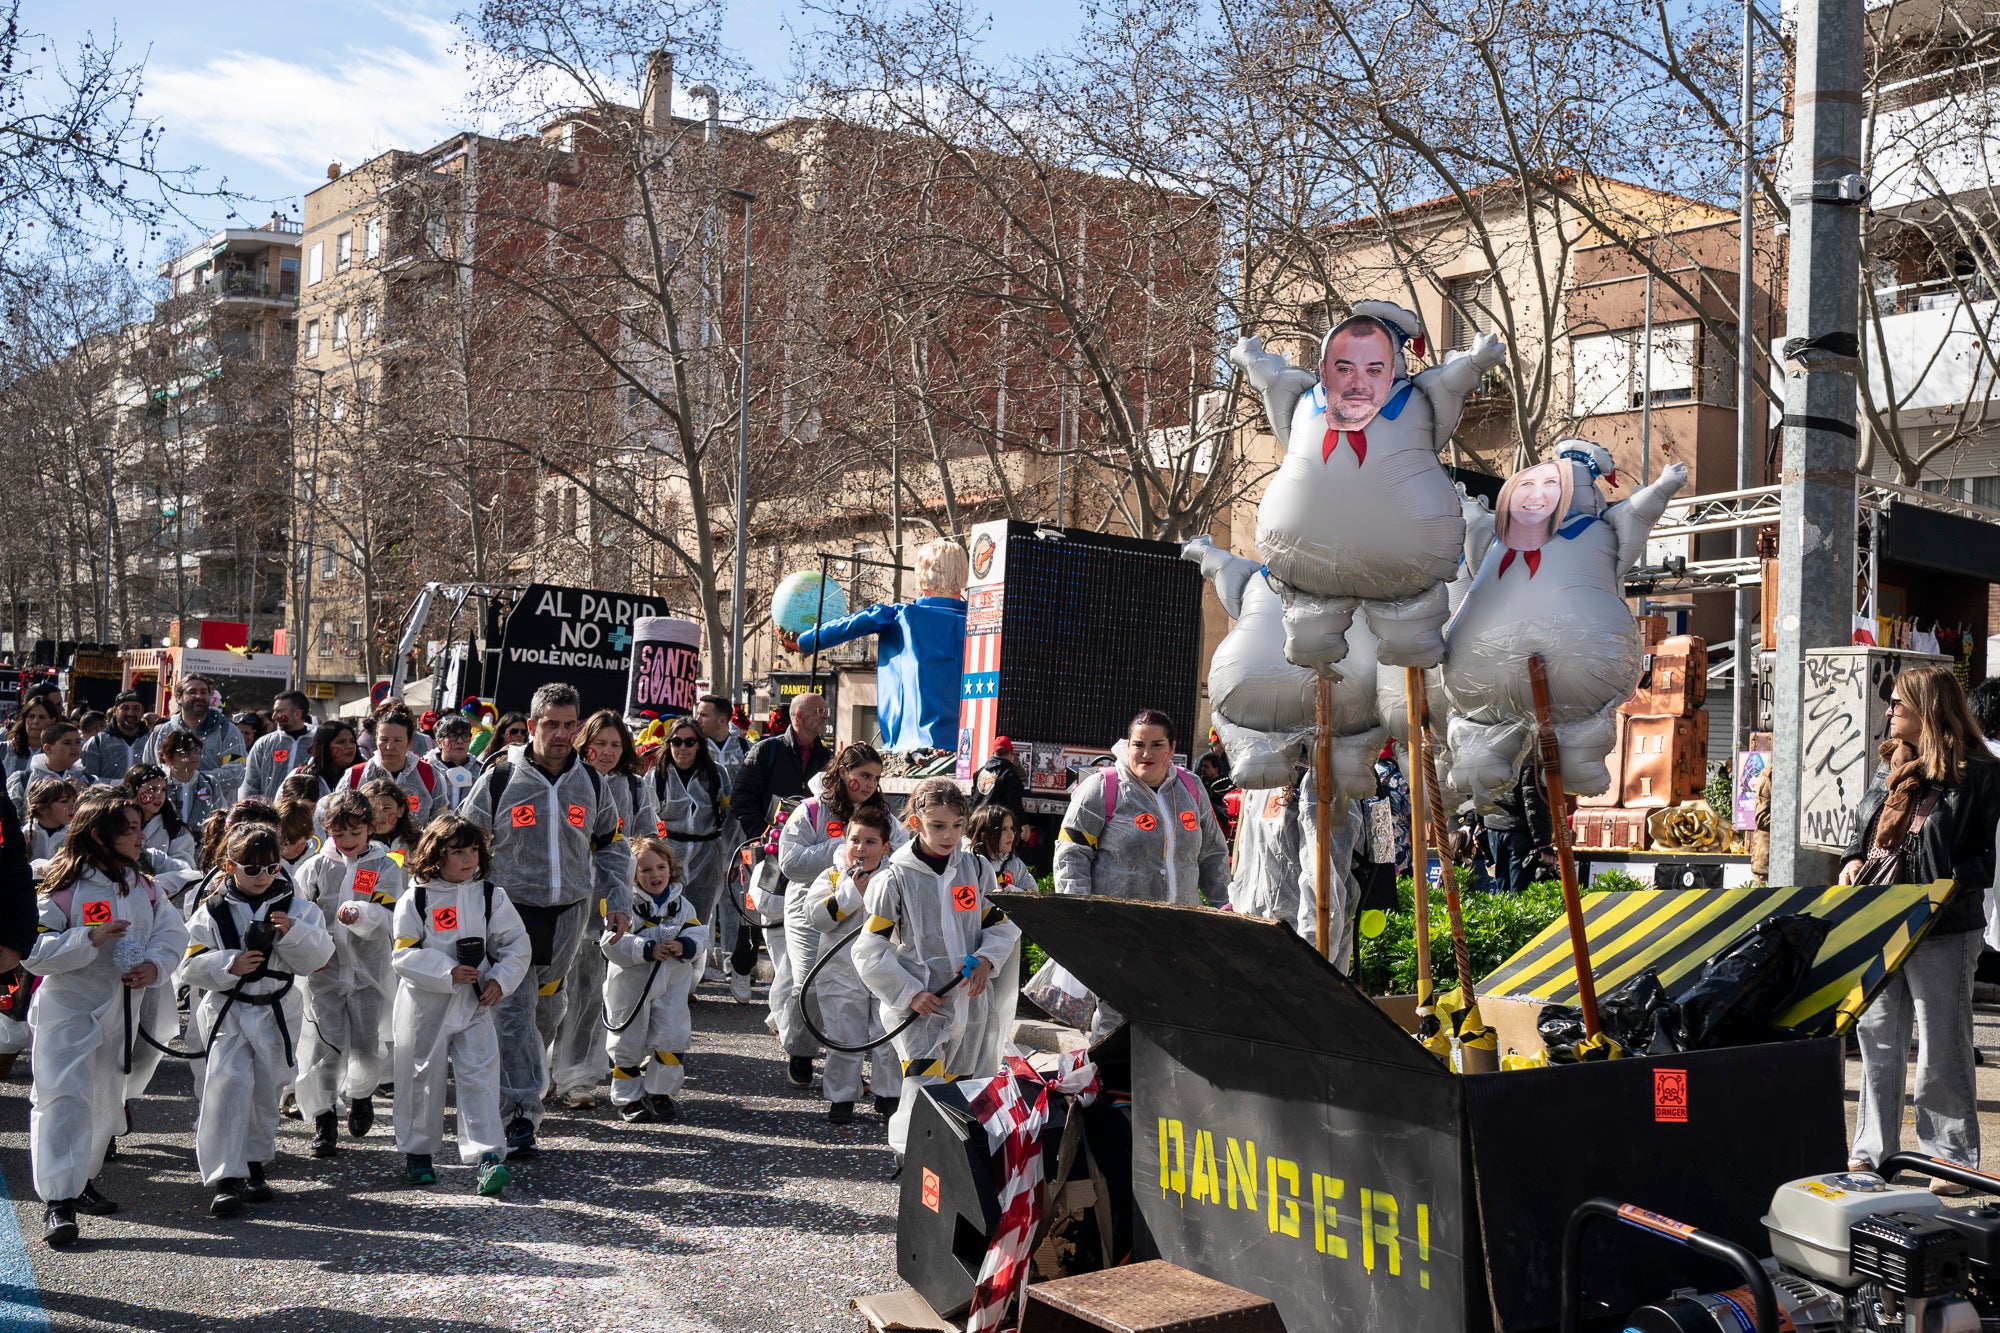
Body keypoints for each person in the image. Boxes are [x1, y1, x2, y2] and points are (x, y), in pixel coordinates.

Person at [1839, 666, 2000, 1190]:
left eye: (1898, 705)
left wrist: (1945, 882)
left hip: (1943, 924)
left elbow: (1983, 858)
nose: (1888, 712)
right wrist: (1853, 857)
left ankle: (1950, 1157)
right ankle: (1870, 1152)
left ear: (1928, 708)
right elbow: (1865, 828)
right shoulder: (1892, 763)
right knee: (1877, 1037)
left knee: (1941, 1042)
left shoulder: (1979, 772)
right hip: (1883, 917)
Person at [460, 682, 633, 1158]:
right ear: (532, 725)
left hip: (569, 916)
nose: (560, 733)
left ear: (579, 728)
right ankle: (519, 1116)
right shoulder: (499, 779)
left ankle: (525, 1082)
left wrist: (617, 899)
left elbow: (612, 847)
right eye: (550, 724)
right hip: (510, 915)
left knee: (547, 1011)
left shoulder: (592, 783)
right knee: (512, 1013)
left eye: (568, 724)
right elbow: (464, 839)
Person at [26, 790, 188, 1246]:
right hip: (68, 1010)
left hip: (120, 1012)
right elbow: (35, 955)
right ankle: (58, 1201)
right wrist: (88, 940)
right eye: (130, 829)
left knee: (102, 1102)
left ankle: (80, 1180)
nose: (141, 837)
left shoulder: (144, 886)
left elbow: (170, 933)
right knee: (60, 1101)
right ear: (100, 835)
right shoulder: (62, 887)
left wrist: (154, 966)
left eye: (140, 827)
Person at [853, 778, 1021, 1155]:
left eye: (957, 826)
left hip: (971, 1004)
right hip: (921, 1011)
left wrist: (988, 960)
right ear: (915, 824)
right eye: (938, 826)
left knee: (963, 1094)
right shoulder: (894, 879)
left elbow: (999, 924)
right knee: (924, 1092)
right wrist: (910, 993)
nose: (950, 836)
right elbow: (869, 949)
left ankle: (951, 1170)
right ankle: (912, 1163)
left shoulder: (976, 870)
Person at [178, 823, 335, 1217]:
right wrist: (229, 963)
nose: (263, 877)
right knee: (227, 1086)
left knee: (266, 1090)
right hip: (229, 1009)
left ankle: (254, 1162)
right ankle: (225, 1177)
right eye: (252, 869)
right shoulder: (211, 911)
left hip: (276, 1009)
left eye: (271, 868)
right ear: (230, 867)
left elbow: (320, 956)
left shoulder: (298, 909)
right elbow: (189, 964)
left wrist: (294, 933)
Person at [1054, 710, 1231, 1038]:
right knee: (1115, 1025)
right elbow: (1070, 857)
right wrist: (1079, 919)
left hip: (1180, 936)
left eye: (1156, 744)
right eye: (1138, 744)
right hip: (1118, 937)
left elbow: (1213, 854)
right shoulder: (1103, 788)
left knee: (1175, 1021)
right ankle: (1105, 1086)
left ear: (1172, 748)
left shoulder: (1191, 788)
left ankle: (1161, 1089)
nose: (1146, 753)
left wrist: (1226, 907)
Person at [391, 813, 529, 1194]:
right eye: (457, 851)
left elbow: (516, 945)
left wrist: (500, 979)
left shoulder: (490, 895)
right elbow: (402, 954)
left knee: (480, 1077)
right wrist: (446, 970)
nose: (468, 859)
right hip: (424, 1006)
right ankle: (418, 1154)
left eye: (472, 850)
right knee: (421, 1077)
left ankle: (487, 1157)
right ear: (436, 855)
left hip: (474, 1004)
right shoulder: (415, 898)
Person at [776, 741, 905, 1087]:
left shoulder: (884, 816)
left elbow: (906, 854)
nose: (868, 785)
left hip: (867, 911)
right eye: (863, 775)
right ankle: (801, 1051)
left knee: (865, 989)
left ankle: (851, 1067)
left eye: (875, 779)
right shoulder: (811, 811)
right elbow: (789, 862)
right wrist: (845, 846)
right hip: (814, 904)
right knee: (809, 983)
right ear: (843, 771)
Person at [548, 710, 657, 1109]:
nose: (607, 752)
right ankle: (540, 1070)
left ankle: (578, 1076)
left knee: (592, 992)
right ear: (583, 742)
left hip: (608, 902)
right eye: (600, 743)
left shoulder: (634, 787)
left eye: (615, 744)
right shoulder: (566, 782)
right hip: (560, 899)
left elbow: (646, 839)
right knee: (550, 990)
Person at [291, 788, 405, 1158]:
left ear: (370, 828)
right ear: (326, 831)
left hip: (369, 971)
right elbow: (301, 915)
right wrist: (312, 950)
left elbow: (391, 913)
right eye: (339, 835)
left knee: (365, 1043)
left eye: (356, 833)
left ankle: (360, 1095)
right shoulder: (314, 867)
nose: (348, 842)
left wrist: (363, 914)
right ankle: (324, 1119)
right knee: (325, 1044)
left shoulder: (385, 866)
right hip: (324, 971)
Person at [795, 539, 969, 752]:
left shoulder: (899, 615)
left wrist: (802, 640)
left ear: (922, 576)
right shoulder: (985, 623)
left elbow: (843, 627)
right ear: (962, 574)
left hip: (912, 746)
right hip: (969, 746)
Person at [802, 808, 902, 1125]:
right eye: (854, 840)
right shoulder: (831, 877)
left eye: (870, 842)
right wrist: (850, 893)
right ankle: (842, 1096)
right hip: (841, 972)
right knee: (845, 1038)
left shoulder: (898, 878)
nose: (860, 848)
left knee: (886, 1034)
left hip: (886, 968)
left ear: (886, 847)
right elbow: (815, 917)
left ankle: (888, 1094)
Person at [602, 836, 707, 1125]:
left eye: (661, 867)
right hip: (630, 985)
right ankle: (629, 1097)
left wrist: (684, 945)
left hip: (671, 982)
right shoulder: (624, 904)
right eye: (645, 870)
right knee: (628, 1042)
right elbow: (610, 942)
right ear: (632, 875)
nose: (655, 875)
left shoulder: (681, 904)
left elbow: (699, 933)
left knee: (673, 1034)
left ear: (671, 869)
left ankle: (661, 1092)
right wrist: (645, 948)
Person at [653, 717, 737, 993]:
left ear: (700, 745)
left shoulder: (717, 774)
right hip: (668, 855)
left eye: (690, 742)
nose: (683, 748)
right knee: (663, 916)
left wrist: (728, 856)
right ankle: (661, 982)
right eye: (676, 742)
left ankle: (688, 986)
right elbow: (647, 817)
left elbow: (730, 818)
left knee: (697, 920)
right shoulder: (657, 775)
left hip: (707, 853)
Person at [733, 692, 831, 843]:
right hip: (770, 844)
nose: (825, 716)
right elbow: (742, 798)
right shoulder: (765, 750)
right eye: (819, 711)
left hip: (809, 846)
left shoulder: (825, 756)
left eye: (826, 711)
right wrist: (762, 836)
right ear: (799, 716)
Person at [336, 706, 440, 830]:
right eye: (384, 740)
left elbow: (440, 819)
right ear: (376, 740)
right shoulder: (356, 775)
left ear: (409, 742)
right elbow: (338, 817)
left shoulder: (428, 774)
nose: (389, 747)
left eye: (397, 740)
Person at [139, 674, 247, 777]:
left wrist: (194, 779)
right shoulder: (163, 731)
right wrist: (175, 778)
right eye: (192, 692)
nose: (199, 696)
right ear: (178, 698)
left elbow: (235, 774)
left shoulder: (228, 731)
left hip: (216, 796)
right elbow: (148, 771)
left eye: (204, 692)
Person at [1483, 757, 1551, 894]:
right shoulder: (1528, 753)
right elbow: (1532, 798)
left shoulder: (1492, 748)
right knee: (1519, 893)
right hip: (1517, 829)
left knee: (1503, 889)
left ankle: (1505, 915)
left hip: (1494, 825)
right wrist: (1543, 843)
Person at [9, 718, 95, 821]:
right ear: (48, 748)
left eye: (77, 742)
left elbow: (97, 819)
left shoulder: (90, 781)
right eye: (67, 743)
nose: (74, 747)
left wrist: (84, 795)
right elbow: (11, 818)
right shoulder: (23, 779)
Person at [244, 691, 316, 802]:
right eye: (274, 711)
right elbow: (250, 783)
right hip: (269, 815)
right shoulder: (264, 744)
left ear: (297, 714)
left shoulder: (316, 743)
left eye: (279, 711)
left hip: (304, 816)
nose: (274, 717)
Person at [123, 763, 199, 869]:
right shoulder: (115, 822)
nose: (159, 795)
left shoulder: (176, 829)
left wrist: (150, 859)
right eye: (152, 789)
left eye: (163, 789)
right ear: (133, 789)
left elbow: (185, 870)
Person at [159, 730, 225, 841]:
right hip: (168, 848)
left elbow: (221, 818)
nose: (193, 756)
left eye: (196, 750)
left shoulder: (209, 783)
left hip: (202, 851)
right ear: (168, 758)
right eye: (184, 752)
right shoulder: (161, 785)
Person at [80, 691, 151, 785]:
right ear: (115, 711)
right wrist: (117, 784)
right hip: (107, 799)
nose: (130, 713)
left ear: (142, 711)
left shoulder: (152, 742)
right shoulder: (97, 743)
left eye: (136, 708)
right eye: (125, 708)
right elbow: (87, 780)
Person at [965, 804, 1030, 890]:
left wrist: (1015, 893)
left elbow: (1034, 895)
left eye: (1011, 828)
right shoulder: (967, 863)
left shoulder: (1014, 863)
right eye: (1003, 829)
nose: (1011, 835)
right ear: (984, 836)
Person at [295, 719, 361, 801]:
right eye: (341, 742)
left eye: (352, 741)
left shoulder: (365, 774)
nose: (349, 746)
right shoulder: (302, 775)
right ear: (325, 747)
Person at [695, 693, 749, 789]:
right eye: (697, 715)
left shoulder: (746, 747)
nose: (697, 720)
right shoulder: (692, 747)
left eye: (703, 715)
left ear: (722, 721)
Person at [969, 736, 1027, 823]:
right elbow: (1015, 803)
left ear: (994, 752)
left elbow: (973, 800)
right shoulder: (1009, 774)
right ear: (1011, 753)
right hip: (997, 822)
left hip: (978, 821)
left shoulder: (980, 772)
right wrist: (1023, 823)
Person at [360, 778, 420, 859]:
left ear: (400, 810)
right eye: (372, 810)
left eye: (386, 808)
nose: (378, 815)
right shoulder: (358, 846)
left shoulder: (417, 843)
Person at [5, 694, 58, 784]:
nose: (35, 722)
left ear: (53, 720)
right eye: (31, 717)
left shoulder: (60, 752)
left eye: (41, 717)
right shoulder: (4, 749)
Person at [431, 714, 480, 809]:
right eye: (453, 736)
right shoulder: (426, 770)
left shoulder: (481, 770)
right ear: (439, 742)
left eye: (465, 736)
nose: (460, 741)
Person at [24, 777, 78, 863]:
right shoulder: (25, 835)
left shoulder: (74, 835)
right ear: (42, 808)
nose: (73, 806)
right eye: (64, 801)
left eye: (74, 800)